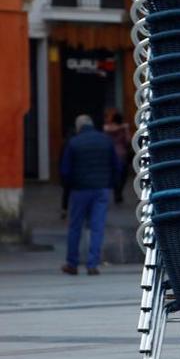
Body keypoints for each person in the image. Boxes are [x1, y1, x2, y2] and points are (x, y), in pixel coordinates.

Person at [60, 114, 121, 276]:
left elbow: (65, 171)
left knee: (75, 227)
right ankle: (92, 264)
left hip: (79, 190)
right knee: (97, 227)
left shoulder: (73, 143)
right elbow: (117, 166)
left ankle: (72, 263)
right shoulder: (105, 140)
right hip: (101, 189)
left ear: (78, 127)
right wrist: (111, 185)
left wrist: (69, 187)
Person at [103, 108, 132, 204]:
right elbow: (128, 140)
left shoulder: (107, 128)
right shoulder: (123, 129)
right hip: (121, 154)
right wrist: (125, 128)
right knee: (123, 174)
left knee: (115, 173)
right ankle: (118, 192)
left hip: (110, 154)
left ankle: (116, 191)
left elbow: (106, 130)